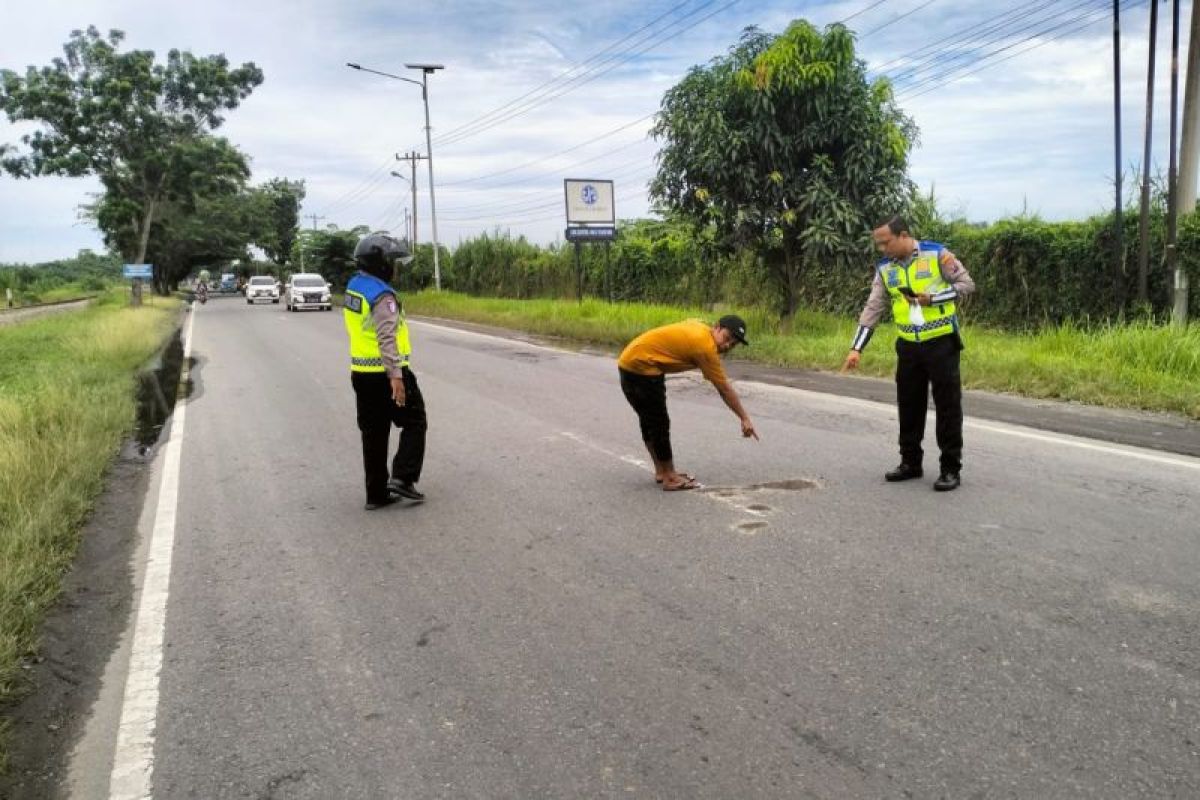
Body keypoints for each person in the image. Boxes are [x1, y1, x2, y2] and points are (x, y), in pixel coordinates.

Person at [841, 215, 975, 491]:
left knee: (948, 407)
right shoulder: (885, 269)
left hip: (941, 342)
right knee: (909, 406)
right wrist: (856, 348)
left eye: (885, 242)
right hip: (908, 347)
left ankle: (950, 468)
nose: (882, 249)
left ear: (903, 235)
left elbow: (966, 285)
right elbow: (873, 309)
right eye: (878, 244)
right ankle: (910, 463)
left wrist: (933, 299)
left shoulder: (937, 255)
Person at [617, 315, 759, 491]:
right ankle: (670, 477)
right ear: (716, 328)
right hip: (641, 367)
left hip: (632, 362)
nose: (727, 345)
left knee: (649, 420)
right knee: (659, 422)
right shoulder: (705, 348)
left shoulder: (701, 330)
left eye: (733, 344)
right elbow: (724, 389)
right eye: (727, 338)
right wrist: (744, 418)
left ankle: (662, 471)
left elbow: (686, 325)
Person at [344, 233, 428, 510]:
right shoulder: (382, 295)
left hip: (361, 372)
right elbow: (386, 337)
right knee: (415, 421)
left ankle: (376, 493)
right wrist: (396, 377)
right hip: (387, 373)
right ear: (380, 263)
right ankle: (403, 478)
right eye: (391, 261)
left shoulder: (355, 287)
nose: (393, 267)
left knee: (374, 432)